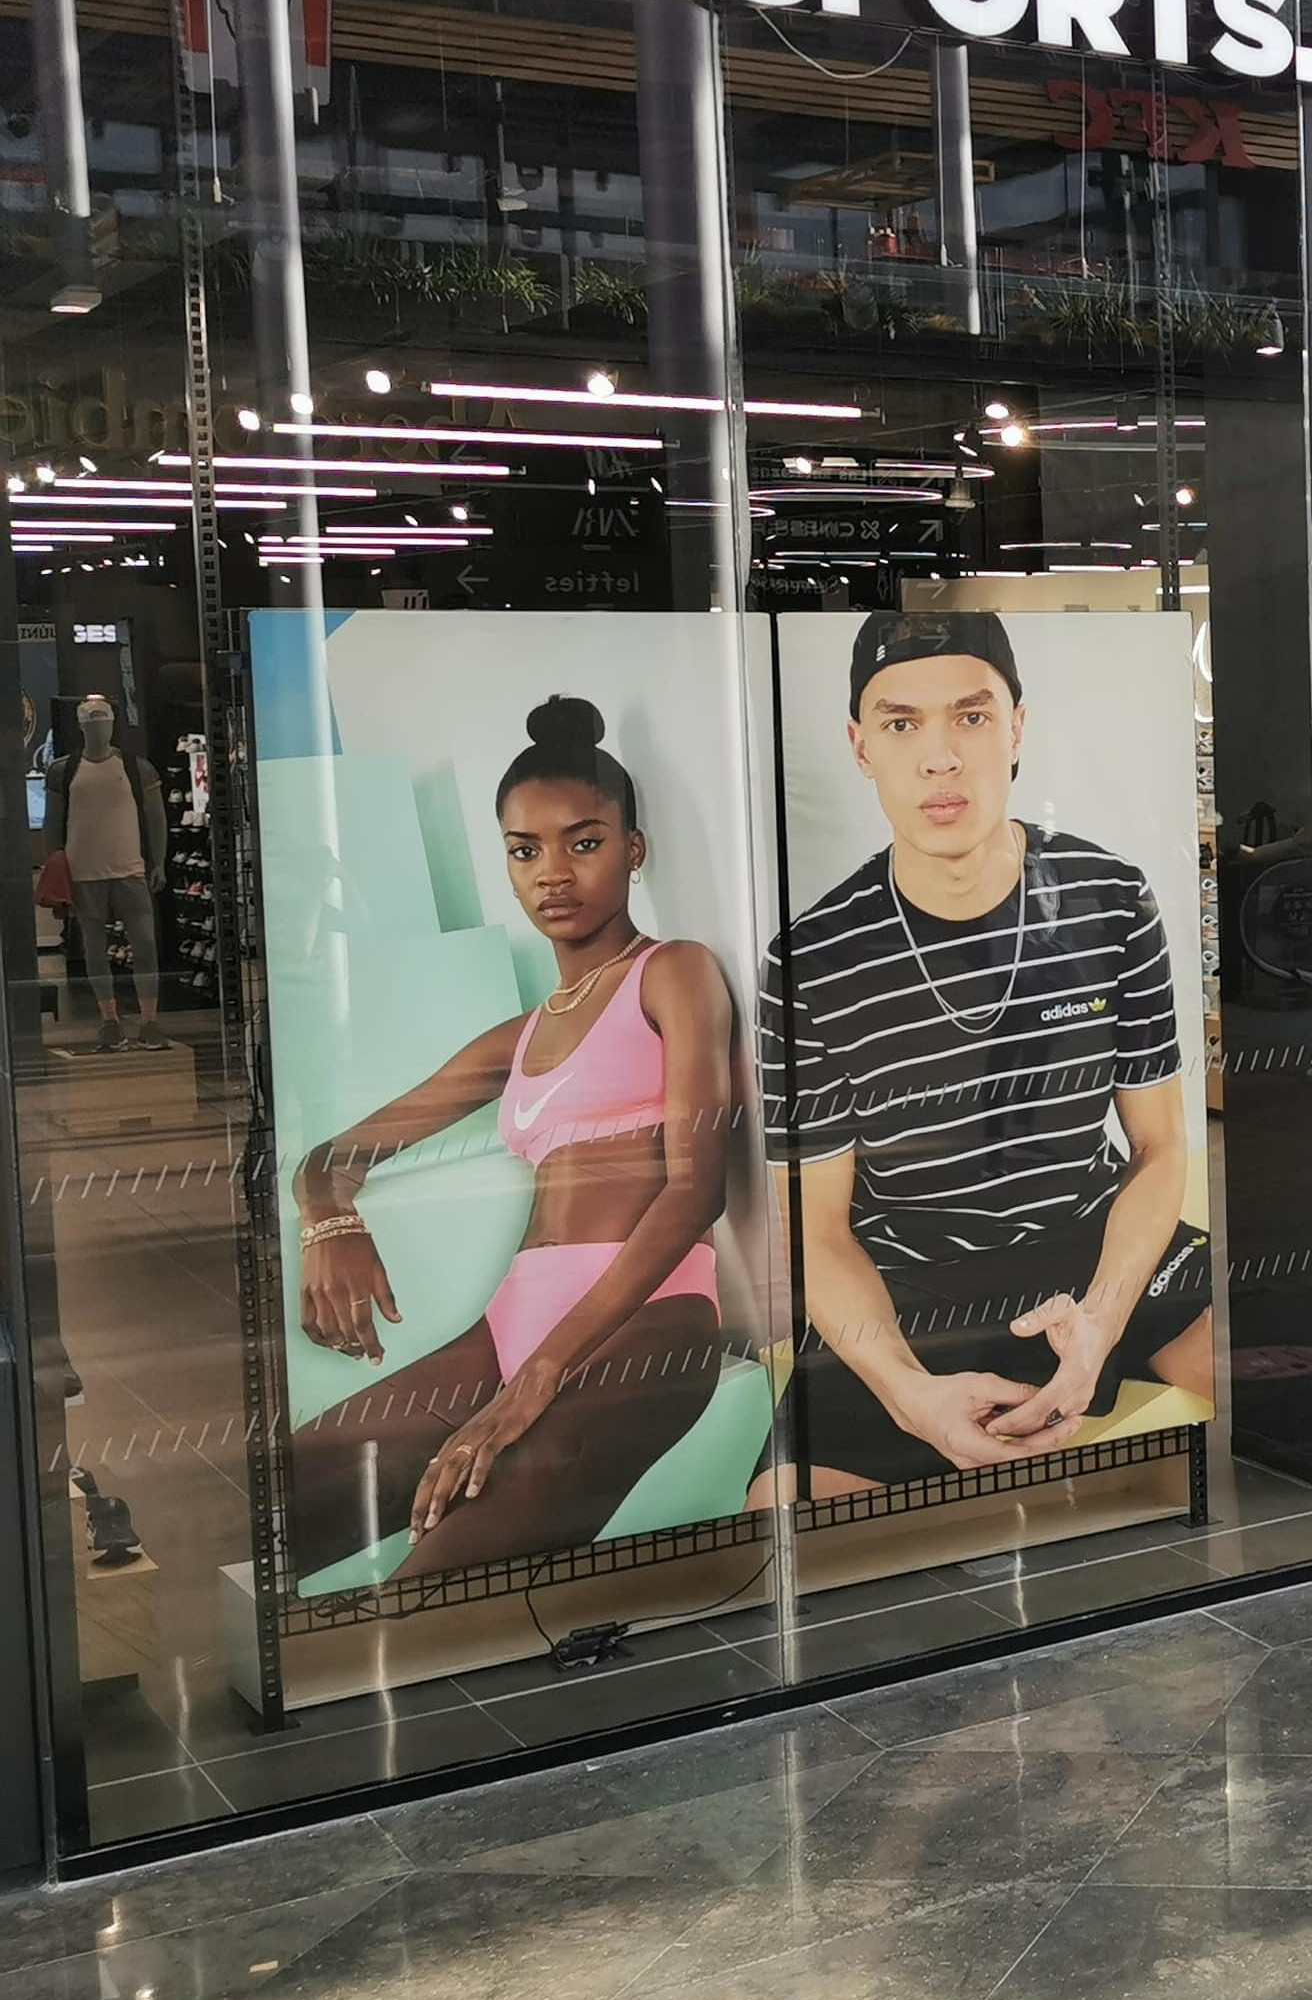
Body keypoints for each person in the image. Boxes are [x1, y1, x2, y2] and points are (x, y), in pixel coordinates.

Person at [285, 698, 742, 1577]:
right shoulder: (523, 1035)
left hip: (651, 1321)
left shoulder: (671, 972)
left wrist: (538, 1379)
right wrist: (329, 1222)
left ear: (634, 849)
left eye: (585, 840)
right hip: (511, 1326)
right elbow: (330, 1161)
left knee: (432, 1589)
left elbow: (696, 1190)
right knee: (281, 1493)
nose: (552, 873)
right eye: (524, 851)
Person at [764, 610, 1214, 1493]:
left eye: (970, 716)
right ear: (861, 746)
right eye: (901, 723)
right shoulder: (812, 958)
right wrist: (907, 1394)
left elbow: (1160, 1150)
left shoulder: (1109, 896)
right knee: (779, 1515)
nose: (940, 757)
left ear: (1016, 726)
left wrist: (1105, 1319)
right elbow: (813, 1229)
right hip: (909, 1278)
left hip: (1100, 1242)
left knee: (1303, 1388)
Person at [46, 694, 168, 1051]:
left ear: (112, 723)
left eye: (103, 720)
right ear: (82, 726)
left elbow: (156, 818)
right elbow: (54, 823)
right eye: (91, 721)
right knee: (94, 947)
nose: (98, 726)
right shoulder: (62, 770)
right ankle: (109, 1019)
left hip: (129, 867)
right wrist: (56, 866)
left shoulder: (136, 767)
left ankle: (149, 1020)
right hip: (83, 871)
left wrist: (157, 861)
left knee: (145, 943)